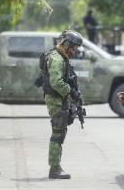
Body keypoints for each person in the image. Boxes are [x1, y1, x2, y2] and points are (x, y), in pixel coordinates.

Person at [41, 30, 83, 179]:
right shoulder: (57, 59)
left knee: (60, 131)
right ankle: (54, 168)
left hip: (59, 98)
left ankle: (56, 166)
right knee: (58, 133)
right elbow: (56, 82)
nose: (75, 50)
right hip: (55, 99)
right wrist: (71, 93)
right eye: (75, 47)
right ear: (67, 44)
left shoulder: (61, 56)